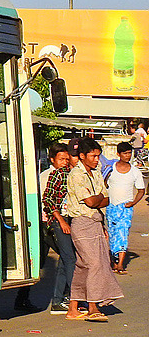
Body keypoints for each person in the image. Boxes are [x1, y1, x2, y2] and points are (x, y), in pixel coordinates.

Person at [64, 138, 123, 321]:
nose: (97, 159)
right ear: (82, 156)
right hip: (82, 223)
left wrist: (98, 200)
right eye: (93, 156)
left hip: (96, 223)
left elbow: (106, 198)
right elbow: (91, 201)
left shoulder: (96, 173)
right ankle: (93, 306)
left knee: (83, 267)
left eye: (98, 156)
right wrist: (98, 199)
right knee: (95, 264)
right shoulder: (76, 175)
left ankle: (73, 307)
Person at [41, 144, 79, 314]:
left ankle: (58, 300)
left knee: (65, 260)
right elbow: (47, 199)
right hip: (54, 223)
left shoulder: (72, 174)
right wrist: (60, 221)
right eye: (61, 159)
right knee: (69, 259)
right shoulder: (53, 175)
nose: (65, 162)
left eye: (67, 158)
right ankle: (75, 298)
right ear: (52, 160)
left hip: (69, 221)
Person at [105, 141, 145, 274]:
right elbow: (104, 184)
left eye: (129, 153)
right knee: (112, 233)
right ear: (118, 154)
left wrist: (133, 203)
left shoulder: (135, 172)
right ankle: (114, 261)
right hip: (111, 206)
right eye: (125, 153)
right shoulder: (110, 169)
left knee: (123, 233)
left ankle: (121, 263)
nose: (128, 156)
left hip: (126, 208)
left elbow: (141, 190)